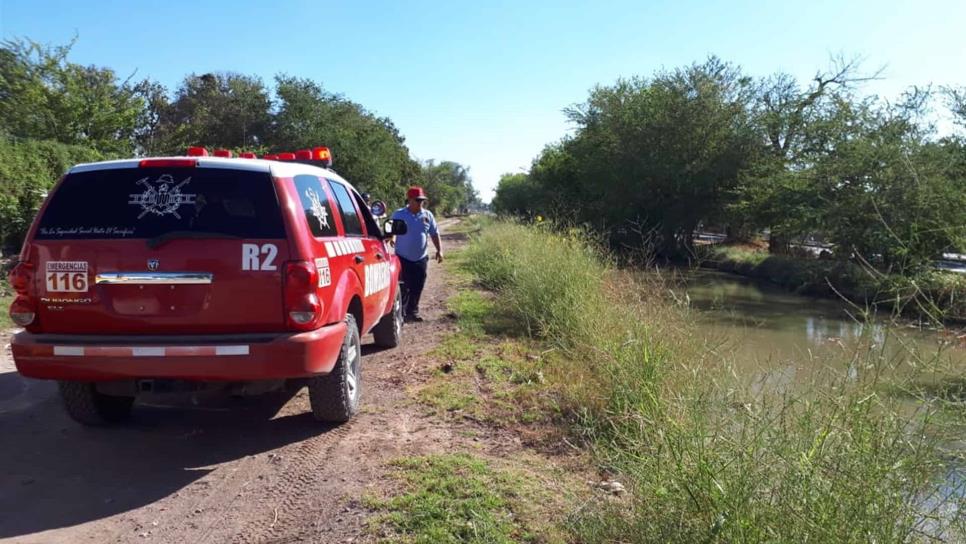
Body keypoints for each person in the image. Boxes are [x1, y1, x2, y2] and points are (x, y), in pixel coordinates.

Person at [391, 186, 442, 322]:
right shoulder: (399, 214)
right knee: (403, 286)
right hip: (403, 257)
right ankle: (401, 312)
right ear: (409, 200)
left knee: (418, 285)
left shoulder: (427, 215)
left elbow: (434, 233)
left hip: (420, 258)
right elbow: (392, 232)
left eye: (422, 201)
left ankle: (413, 311)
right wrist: (392, 239)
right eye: (417, 200)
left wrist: (439, 250)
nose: (420, 203)